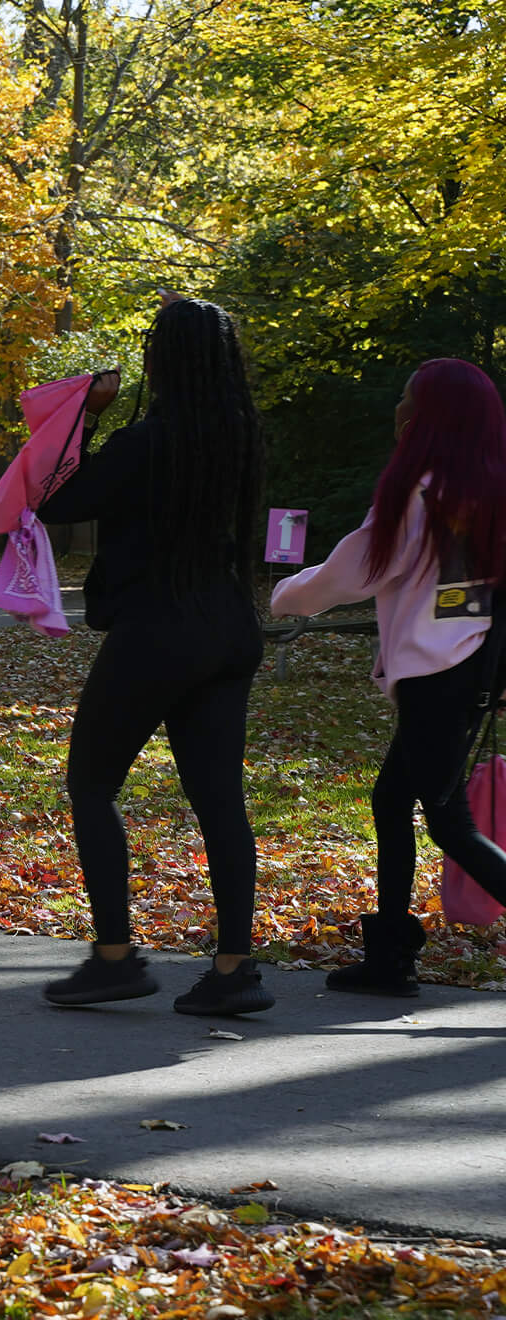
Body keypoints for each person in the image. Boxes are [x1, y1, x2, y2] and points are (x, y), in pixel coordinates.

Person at [36, 297, 272, 1017]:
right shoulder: (243, 435)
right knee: (219, 799)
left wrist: (86, 411)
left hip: (158, 627)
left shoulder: (148, 440)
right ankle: (235, 968)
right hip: (228, 624)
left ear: (161, 361)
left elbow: (56, 500)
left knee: (92, 784)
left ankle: (115, 956)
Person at [272, 358, 506, 996]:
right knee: (392, 800)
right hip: (469, 665)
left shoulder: (422, 489)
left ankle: (392, 960)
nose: (397, 409)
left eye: (406, 397)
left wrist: (283, 596)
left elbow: (358, 570)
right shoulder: (485, 487)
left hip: (435, 672)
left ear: (430, 415)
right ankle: (390, 958)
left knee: (449, 823)